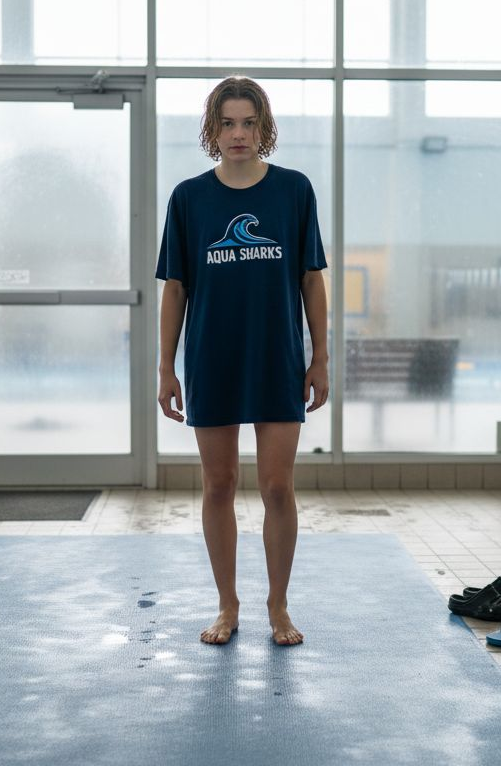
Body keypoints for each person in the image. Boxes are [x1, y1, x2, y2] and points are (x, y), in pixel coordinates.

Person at [156, 77, 330, 647]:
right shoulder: (188, 198)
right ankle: (227, 605)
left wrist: (319, 356)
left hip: (276, 359)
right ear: (211, 130)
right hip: (213, 359)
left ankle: (278, 605)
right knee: (219, 485)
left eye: (248, 122)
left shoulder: (293, 191)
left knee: (278, 487)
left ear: (264, 127)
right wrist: (166, 367)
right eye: (227, 123)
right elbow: (176, 289)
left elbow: (311, 280)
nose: (238, 134)